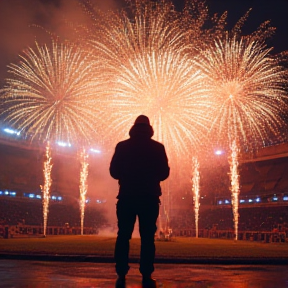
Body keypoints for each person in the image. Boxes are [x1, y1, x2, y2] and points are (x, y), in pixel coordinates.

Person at [110, 115, 170, 288]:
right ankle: (146, 273)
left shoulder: (122, 146)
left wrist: (127, 176)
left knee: (123, 236)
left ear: (133, 127)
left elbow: (114, 172)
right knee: (147, 238)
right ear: (149, 128)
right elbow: (164, 173)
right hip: (149, 197)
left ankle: (121, 272)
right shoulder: (158, 147)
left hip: (127, 196)